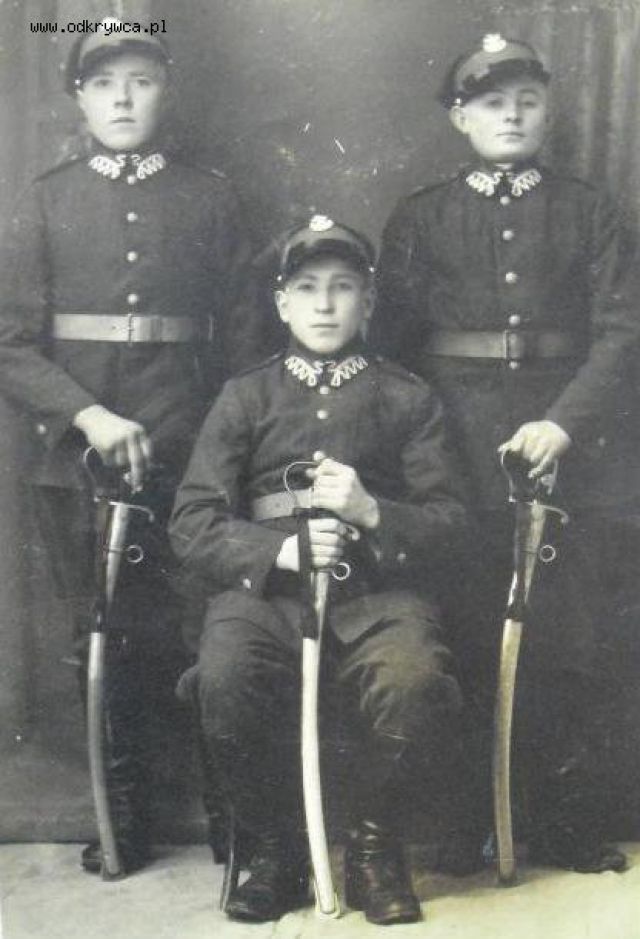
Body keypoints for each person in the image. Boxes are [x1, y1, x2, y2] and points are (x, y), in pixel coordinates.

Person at [373, 33, 638, 874]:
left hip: (572, 453)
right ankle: (462, 821)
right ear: (461, 118)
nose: (512, 115)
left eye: (527, 100)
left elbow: (623, 330)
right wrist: (425, 449)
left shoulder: (588, 210)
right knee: (461, 630)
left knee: (565, 639)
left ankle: (555, 821)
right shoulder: (423, 216)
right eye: (492, 103)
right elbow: (390, 351)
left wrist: (564, 424)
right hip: (456, 452)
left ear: (548, 110)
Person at [0, 15, 258, 875]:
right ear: (78, 98)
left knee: (207, 624)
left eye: (140, 81)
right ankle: (122, 816)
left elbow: (246, 342)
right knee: (102, 631)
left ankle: (232, 814)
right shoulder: (44, 199)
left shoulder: (210, 197)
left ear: (165, 93)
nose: (121, 99)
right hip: (74, 453)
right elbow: (9, 342)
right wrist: (90, 416)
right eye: (104, 84)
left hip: (192, 449)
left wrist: (218, 445)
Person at [169, 216, 469, 924]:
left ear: (369, 301)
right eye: (307, 288)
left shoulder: (408, 396)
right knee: (225, 675)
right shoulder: (245, 396)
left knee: (414, 680)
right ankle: (277, 849)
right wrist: (278, 552)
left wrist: (372, 511)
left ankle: (373, 849)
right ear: (282, 304)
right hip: (266, 595)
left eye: (343, 288)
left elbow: (452, 523)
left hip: (377, 595)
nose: (326, 305)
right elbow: (192, 520)